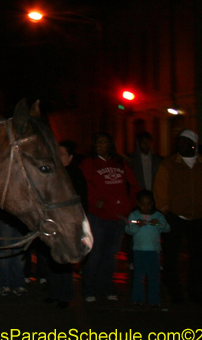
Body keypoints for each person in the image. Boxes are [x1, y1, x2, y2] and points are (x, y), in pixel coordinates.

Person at [153, 129, 202, 304]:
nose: (180, 144)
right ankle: (174, 290)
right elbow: (160, 190)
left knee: (199, 258)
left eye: (185, 141)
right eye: (179, 141)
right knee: (171, 257)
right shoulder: (168, 164)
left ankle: (195, 291)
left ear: (193, 144)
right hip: (175, 216)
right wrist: (166, 210)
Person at [80, 132, 140, 302]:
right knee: (95, 254)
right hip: (98, 216)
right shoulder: (89, 163)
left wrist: (129, 205)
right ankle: (90, 289)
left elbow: (133, 184)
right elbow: (84, 186)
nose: (100, 145)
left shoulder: (120, 162)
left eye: (103, 142)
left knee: (110, 255)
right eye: (97, 142)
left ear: (110, 145)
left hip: (118, 216)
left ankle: (107, 287)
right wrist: (94, 202)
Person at [43, 141, 85, 308]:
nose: (58, 157)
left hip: (67, 223)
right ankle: (54, 292)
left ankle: (65, 295)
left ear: (70, 157)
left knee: (65, 259)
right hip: (52, 222)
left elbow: (80, 200)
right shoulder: (52, 173)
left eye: (61, 154)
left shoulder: (75, 174)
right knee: (51, 258)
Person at [125, 190, 170, 308]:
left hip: (154, 251)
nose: (146, 207)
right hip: (139, 250)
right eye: (143, 204)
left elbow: (167, 228)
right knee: (138, 276)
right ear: (138, 203)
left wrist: (158, 224)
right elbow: (128, 230)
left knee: (154, 276)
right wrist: (136, 225)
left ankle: (154, 300)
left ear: (153, 203)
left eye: (149, 204)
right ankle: (137, 299)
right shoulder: (134, 215)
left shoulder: (158, 216)